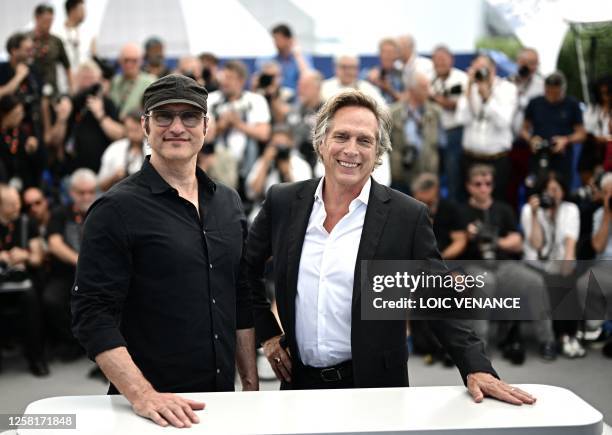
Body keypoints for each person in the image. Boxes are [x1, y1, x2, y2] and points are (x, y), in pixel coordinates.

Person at [246, 90, 535, 406]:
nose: (351, 150)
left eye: (365, 140)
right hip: (299, 387)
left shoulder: (407, 216)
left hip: (376, 390)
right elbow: (245, 272)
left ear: (378, 152)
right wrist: (270, 335)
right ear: (321, 142)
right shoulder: (284, 202)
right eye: (341, 136)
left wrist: (476, 368)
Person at [71, 74, 258, 428]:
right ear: (145, 125)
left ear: (206, 126)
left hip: (222, 406)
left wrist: (250, 386)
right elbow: (91, 314)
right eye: (163, 117)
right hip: (149, 413)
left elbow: (240, 297)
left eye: (189, 117)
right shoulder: (115, 209)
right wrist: (142, 395)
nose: (177, 127)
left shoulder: (228, 203)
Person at [460, 164, 555, 363]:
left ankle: (547, 340)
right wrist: (467, 237)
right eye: (478, 184)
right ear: (469, 186)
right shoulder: (461, 211)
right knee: (485, 284)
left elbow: (517, 242)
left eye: (488, 183)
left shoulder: (503, 209)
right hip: (474, 265)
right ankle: (480, 348)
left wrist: (495, 240)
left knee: (535, 281)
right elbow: (453, 246)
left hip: (503, 264)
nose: (483, 188)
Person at [521, 172, 583, 358]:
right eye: (547, 190)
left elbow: (570, 243)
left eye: (556, 189)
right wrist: (534, 215)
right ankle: (563, 336)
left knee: (568, 277)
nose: (552, 194)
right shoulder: (529, 210)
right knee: (547, 280)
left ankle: (568, 335)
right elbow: (537, 245)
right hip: (535, 265)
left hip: (559, 263)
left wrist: (567, 266)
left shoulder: (570, 209)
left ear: (563, 191)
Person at [44, 168, 96, 360]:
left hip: (98, 274)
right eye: (82, 192)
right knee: (51, 300)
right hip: (67, 273)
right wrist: (80, 261)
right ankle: (73, 342)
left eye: (91, 191)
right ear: (72, 192)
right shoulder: (60, 213)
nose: (87, 196)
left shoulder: (102, 208)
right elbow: (54, 244)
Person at [0, 184, 47, 376]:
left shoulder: (28, 223)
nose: (17, 208)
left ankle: (36, 359)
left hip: (23, 282)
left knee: (31, 301)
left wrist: (25, 255)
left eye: (18, 202)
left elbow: (38, 258)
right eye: (11, 205)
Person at [456, 54, 516, 200]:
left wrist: (487, 97)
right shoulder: (469, 88)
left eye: (484, 69)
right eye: (476, 69)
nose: (480, 73)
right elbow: (461, 118)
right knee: (468, 203)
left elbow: (503, 122)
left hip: (496, 160)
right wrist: (469, 90)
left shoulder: (507, 88)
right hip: (471, 158)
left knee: (497, 202)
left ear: (493, 70)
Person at [47, 60, 124, 173]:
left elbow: (121, 135)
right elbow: (54, 142)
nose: (88, 83)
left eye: (91, 78)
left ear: (99, 80)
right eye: (84, 78)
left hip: (101, 172)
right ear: (76, 79)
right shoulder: (68, 103)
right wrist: (62, 119)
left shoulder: (107, 104)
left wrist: (101, 116)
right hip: (70, 171)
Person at [207, 60, 271, 187]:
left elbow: (264, 133)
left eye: (230, 78)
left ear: (241, 80)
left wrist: (238, 124)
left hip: (248, 162)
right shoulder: (211, 99)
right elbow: (205, 137)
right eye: (223, 77)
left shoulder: (256, 100)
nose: (225, 82)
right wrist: (221, 125)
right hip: (217, 161)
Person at [521, 71, 586, 182]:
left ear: (562, 89)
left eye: (555, 92)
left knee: (561, 188)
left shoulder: (572, 104)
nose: (551, 94)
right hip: (539, 155)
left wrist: (566, 140)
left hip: (561, 157)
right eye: (548, 91)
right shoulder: (535, 103)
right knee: (535, 187)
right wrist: (531, 139)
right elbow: (523, 129)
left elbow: (581, 134)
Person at [389, 72, 444, 193]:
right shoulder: (393, 113)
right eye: (424, 87)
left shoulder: (436, 112)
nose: (429, 91)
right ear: (412, 90)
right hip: (401, 173)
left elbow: (442, 143)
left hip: (428, 171)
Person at [429, 45, 468, 201]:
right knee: (433, 175)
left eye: (443, 60)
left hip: (454, 133)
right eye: (436, 61)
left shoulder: (461, 78)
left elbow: (455, 104)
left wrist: (432, 97)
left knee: (454, 177)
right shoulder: (429, 78)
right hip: (433, 133)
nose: (440, 64)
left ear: (451, 60)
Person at [98, 111, 147, 191]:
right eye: (131, 128)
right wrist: (114, 177)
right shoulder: (114, 149)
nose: (134, 128)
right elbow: (100, 186)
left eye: (137, 127)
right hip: (118, 197)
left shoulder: (154, 149)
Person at [29, 3, 72, 96]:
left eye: (51, 21)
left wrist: (71, 88)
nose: (48, 25)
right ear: (37, 18)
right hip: (32, 88)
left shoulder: (56, 41)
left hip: (52, 89)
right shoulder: (27, 40)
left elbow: (67, 66)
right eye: (45, 21)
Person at [108, 43, 156, 119]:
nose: (129, 64)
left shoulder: (150, 82)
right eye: (126, 60)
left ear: (141, 61)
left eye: (134, 60)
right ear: (120, 61)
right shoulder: (115, 81)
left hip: (137, 127)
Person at [321, 55, 386, 107]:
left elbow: (383, 110)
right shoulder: (323, 88)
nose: (348, 71)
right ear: (335, 68)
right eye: (344, 67)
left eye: (352, 67)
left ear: (357, 69)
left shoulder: (368, 89)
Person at [364, 37, 403, 104]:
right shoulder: (369, 73)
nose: (387, 56)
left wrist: (389, 89)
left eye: (390, 52)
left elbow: (407, 102)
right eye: (384, 52)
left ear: (396, 55)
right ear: (379, 54)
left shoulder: (402, 75)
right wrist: (368, 79)